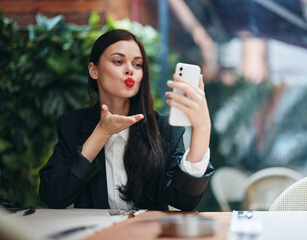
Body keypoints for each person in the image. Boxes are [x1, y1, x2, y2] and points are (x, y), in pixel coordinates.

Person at [39, 29, 214, 211]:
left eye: (137, 65)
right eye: (118, 61)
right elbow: (53, 196)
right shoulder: (72, 125)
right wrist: (101, 134)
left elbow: (183, 202)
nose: (130, 69)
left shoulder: (164, 128)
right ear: (94, 70)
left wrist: (203, 128)